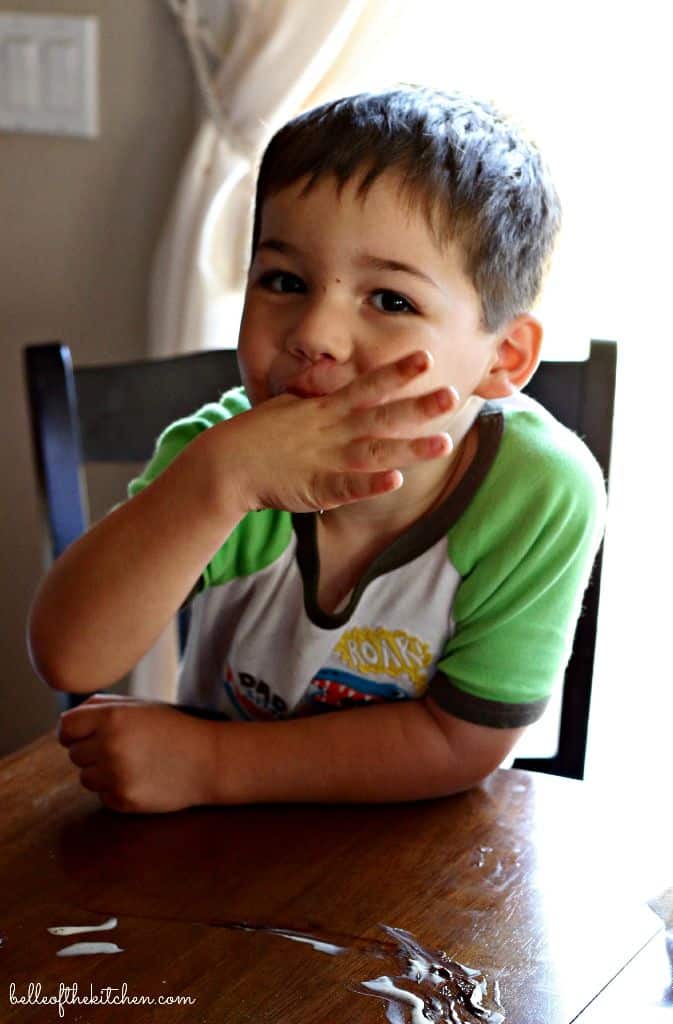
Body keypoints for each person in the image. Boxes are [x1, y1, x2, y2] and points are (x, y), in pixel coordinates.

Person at [28, 87, 606, 813]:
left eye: (390, 300)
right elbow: (72, 654)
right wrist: (220, 480)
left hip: (416, 860)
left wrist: (210, 762)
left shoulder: (537, 490)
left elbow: (462, 739)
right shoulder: (222, 456)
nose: (315, 335)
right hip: (216, 851)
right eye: (284, 281)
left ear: (504, 356)